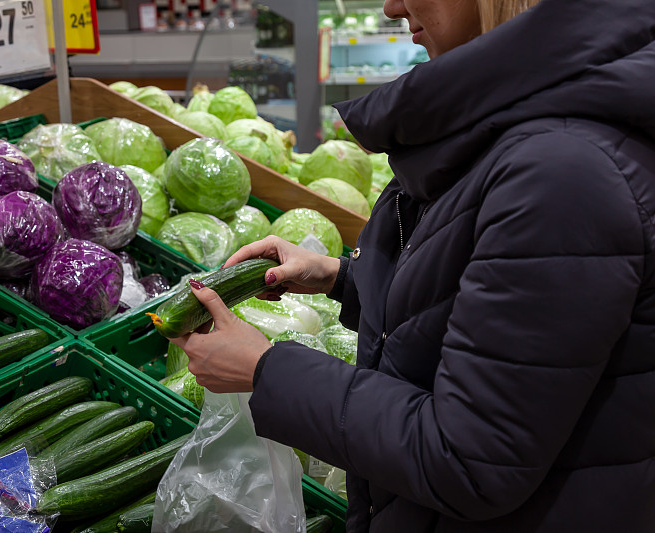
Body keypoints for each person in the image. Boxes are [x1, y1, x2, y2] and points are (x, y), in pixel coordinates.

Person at [169, 0, 655, 530]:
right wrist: (342, 279)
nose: (392, 6)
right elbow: (492, 309)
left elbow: (470, 460)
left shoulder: (562, 173)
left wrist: (268, 372)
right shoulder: (519, 125)